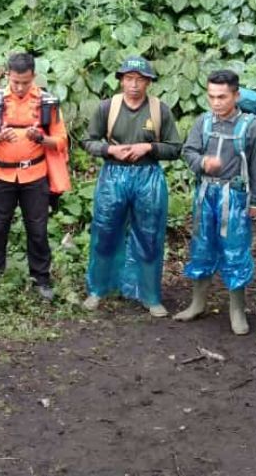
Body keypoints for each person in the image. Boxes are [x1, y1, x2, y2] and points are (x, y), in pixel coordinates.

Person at [82, 56, 182, 317]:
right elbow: (88, 141)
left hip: (148, 176)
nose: (134, 85)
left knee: (149, 236)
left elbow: (175, 148)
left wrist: (148, 147)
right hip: (113, 176)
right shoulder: (107, 108)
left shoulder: (160, 110)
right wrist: (110, 149)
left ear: (148, 82)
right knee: (104, 232)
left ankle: (150, 295)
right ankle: (98, 289)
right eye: (129, 79)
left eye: (139, 79)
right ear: (121, 80)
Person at [173, 69, 256, 334]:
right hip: (205, 194)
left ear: (236, 95)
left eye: (222, 97)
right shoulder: (203, 122)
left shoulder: (252, 127)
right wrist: (202, 162)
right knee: (201, 246)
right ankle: (197, 303)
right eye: (212, 96)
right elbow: (188, 151)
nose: (216, 102)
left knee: (235, 250)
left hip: (235, 197)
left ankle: (237, 310)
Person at [0, 52, 68, 301]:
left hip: (35, 175)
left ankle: (42, 280)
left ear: (33, 77)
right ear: (8, 76)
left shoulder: (47, 101)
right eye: (15, 81)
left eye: (25, 82)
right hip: (2, 175)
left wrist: (41, 138)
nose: (20, 87)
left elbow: (60, 139)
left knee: (37, 230)